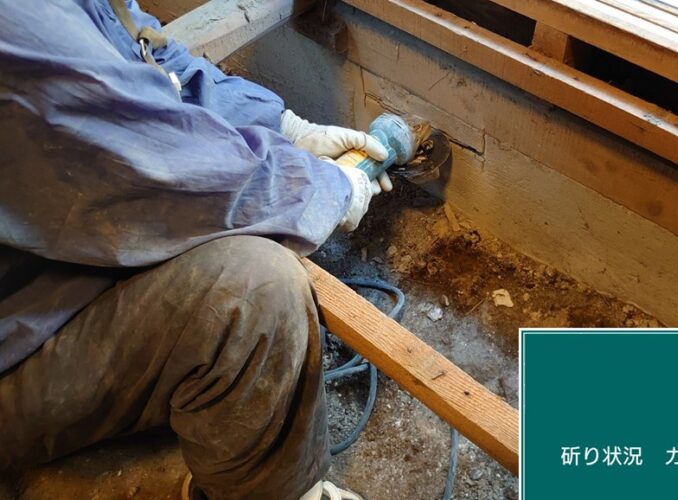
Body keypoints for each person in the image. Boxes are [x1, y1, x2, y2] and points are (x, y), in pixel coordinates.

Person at [0, 0, 390, 498]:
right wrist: (327, 187)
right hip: (15, 345)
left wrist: (284, 128)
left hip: (33, 276)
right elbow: (161, 166)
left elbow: (143, 50)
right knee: (253, 292)